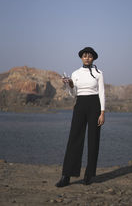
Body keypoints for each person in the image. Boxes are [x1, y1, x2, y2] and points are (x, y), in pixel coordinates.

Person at [55, 47, 105, 187]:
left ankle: (89, 175)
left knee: (93, 139)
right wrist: (70, 84)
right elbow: (73, 94)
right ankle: (66, 176)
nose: (87, 58)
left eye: (89, 56)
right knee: (74, 138)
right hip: (80, 104)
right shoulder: (75, 73)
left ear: (93, 58)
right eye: (84, 56)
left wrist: (102, 112)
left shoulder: (99, 73)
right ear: (81, 58)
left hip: (95, 105)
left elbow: (101, 92)